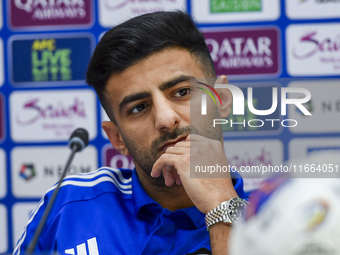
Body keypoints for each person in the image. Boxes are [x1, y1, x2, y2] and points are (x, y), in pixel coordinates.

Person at [13, 11, 248, 255]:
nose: (166, 119)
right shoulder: (68, 206)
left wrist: (222, 206)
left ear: (221, 101)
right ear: (117, 139)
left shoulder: (274, 219)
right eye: (138, 108)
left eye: (182, 92)